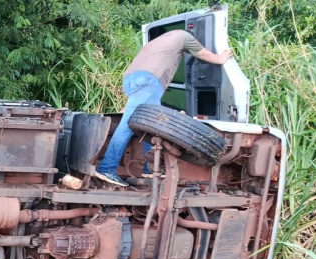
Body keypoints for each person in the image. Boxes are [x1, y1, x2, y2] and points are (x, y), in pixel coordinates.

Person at [93, 30, 234, 187]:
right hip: (150, 81)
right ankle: (107, 168)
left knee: (152, 126)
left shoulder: (156, 42)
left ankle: (149, 169)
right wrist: (219, 58)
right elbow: (201, 53)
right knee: (127, 126)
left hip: (131, 79)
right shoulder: (183, 36)